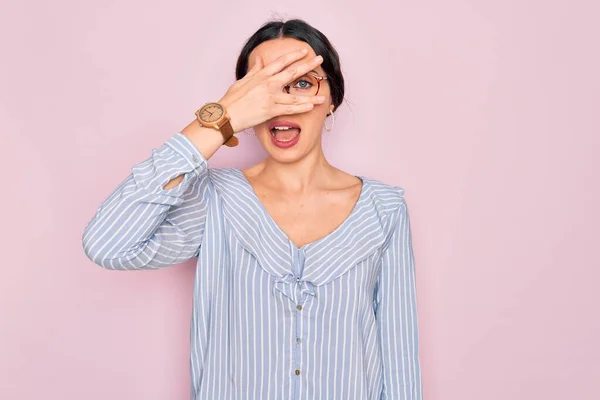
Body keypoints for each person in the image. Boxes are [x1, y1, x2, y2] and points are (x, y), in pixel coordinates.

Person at [82, 18, 422, 400]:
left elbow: (399, 360)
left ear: (332, 99)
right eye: (266, 88)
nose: (283, 102)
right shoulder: (215, 200)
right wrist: (218, 119)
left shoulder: (383, 209)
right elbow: (109, 245)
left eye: (303, 83)